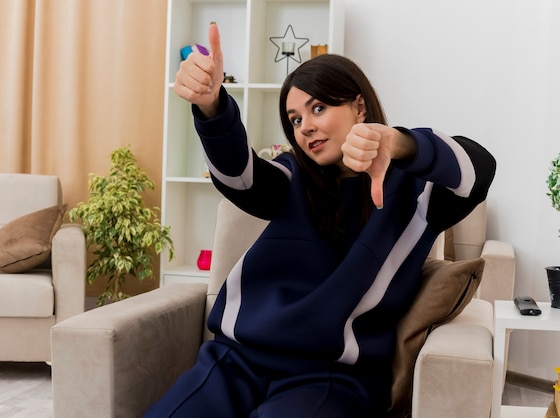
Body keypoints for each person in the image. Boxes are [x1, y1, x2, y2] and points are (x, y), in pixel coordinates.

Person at [144, 22, 496, 418]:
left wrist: (397, 143)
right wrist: (212, 108)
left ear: (359, 107)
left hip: (334, 376)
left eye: (318, 108)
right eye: (295, 119)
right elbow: (241, 178)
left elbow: (479, 169)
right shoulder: (292, 175)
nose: (305, 126)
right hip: (235, 359)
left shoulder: (418, 191)